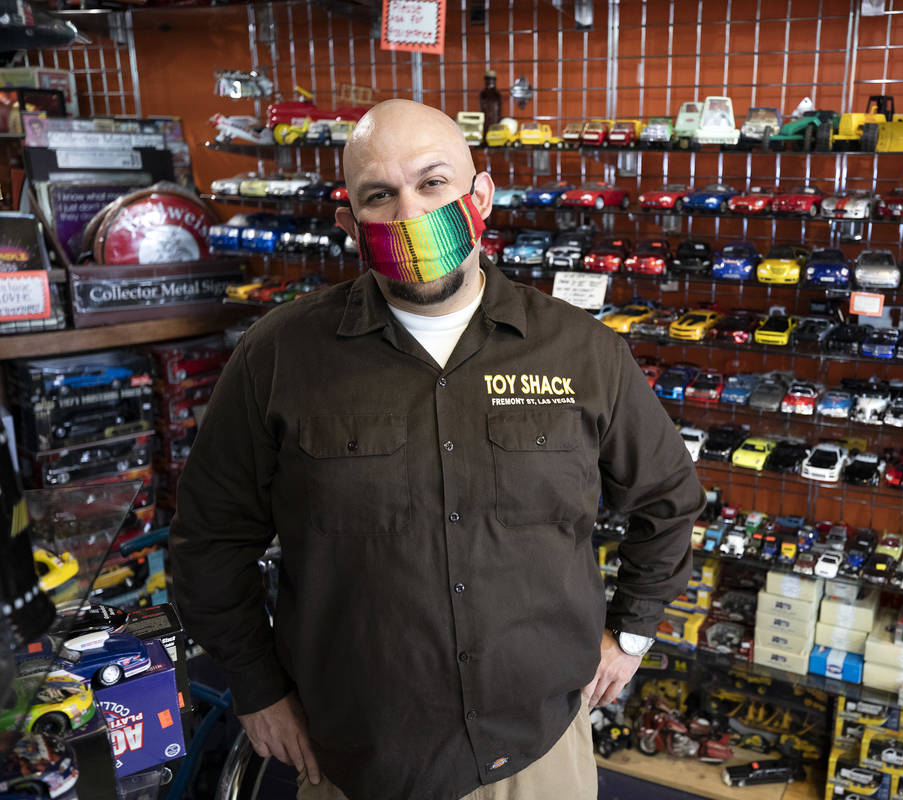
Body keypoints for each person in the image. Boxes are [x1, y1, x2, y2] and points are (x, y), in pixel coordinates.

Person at [168, 99, 705, 800]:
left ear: (480, 197)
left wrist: (630, 635)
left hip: (535, 754)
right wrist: (256, 686)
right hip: (354, 760)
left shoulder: (583, 351)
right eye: (379, 196)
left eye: (432, 183)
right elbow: (208, 541)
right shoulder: (278, 358)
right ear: (350, 224)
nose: (410, 215)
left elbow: (668, 500)